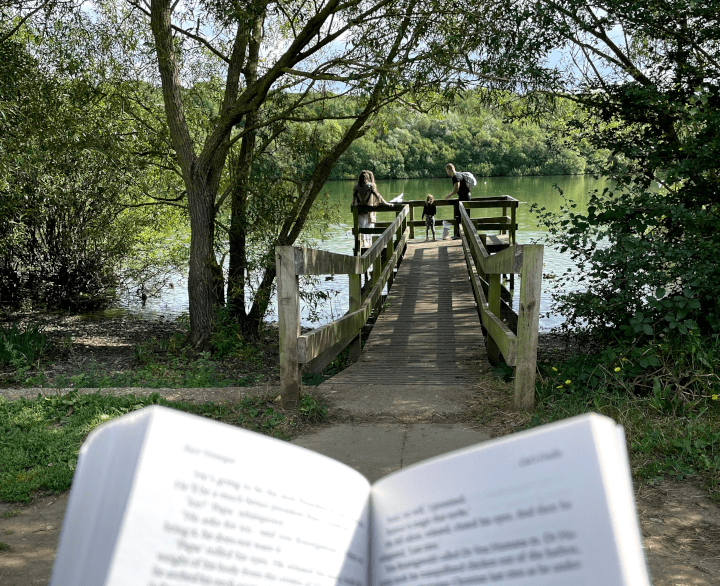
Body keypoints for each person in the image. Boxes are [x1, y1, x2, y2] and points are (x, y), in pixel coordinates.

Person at [352, 170, 389, 248]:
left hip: (359, 211)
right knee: (369, 227)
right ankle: (369, 242)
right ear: (368, 178)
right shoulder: (371, 186)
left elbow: (353, 200)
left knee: (361, 228)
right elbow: (379, 196)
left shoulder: (356, 187)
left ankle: (364, 243)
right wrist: (386, 203)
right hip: (369, 210)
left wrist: (353, 206)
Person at [443, 163, 471, 239]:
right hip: (465, 197)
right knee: (460, 216)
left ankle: (460, 235)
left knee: (460, 216)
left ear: (449, 170)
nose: (447, 173)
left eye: (447, 171)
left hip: (464, 198)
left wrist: (449, 195)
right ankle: (460, 234)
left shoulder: (456, 176)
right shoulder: (458, 174)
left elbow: (457, 188)